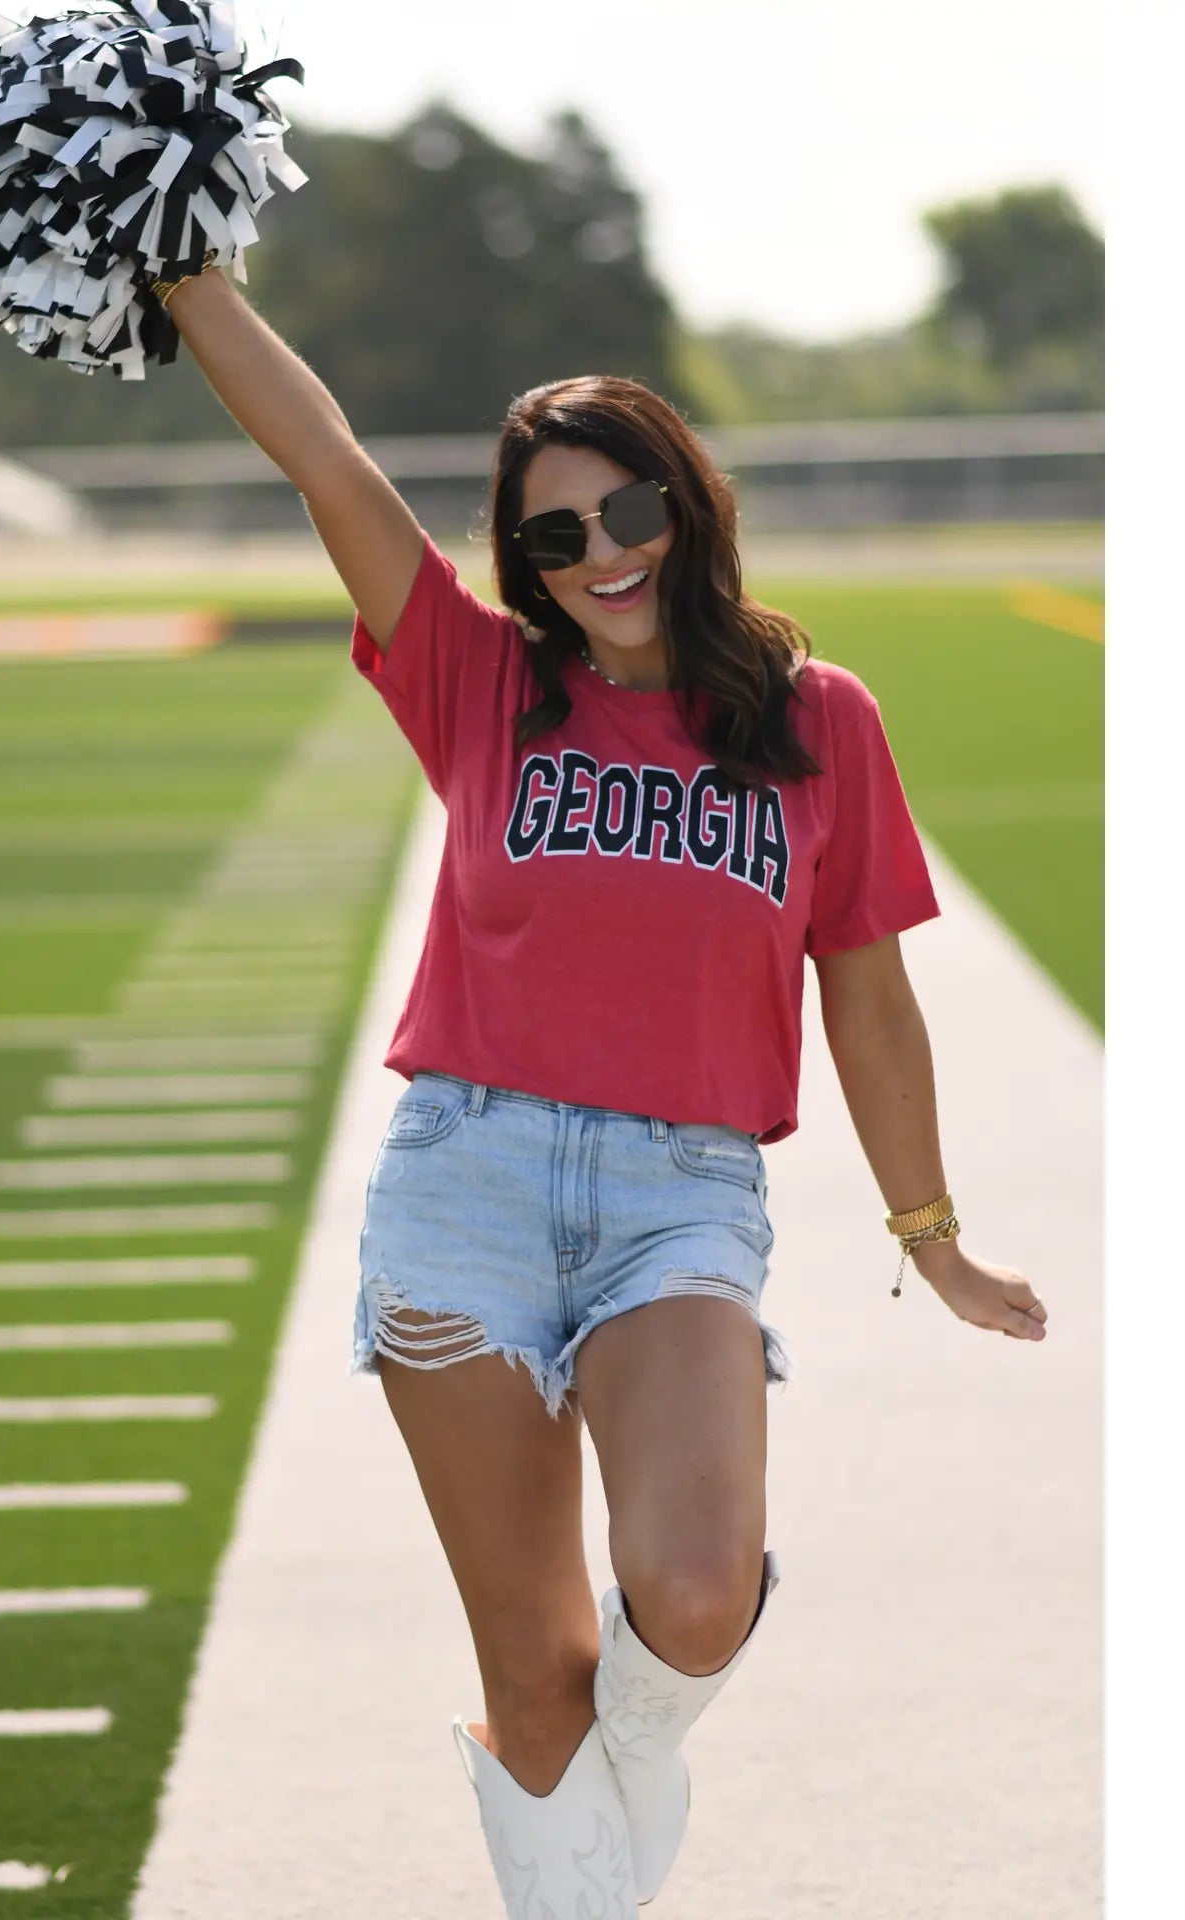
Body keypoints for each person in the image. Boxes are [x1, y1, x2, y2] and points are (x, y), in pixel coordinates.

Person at [157, 259, 1049, 1917]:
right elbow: (331, 463)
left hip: (678, 1201)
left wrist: (931, 1236)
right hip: (463, 1187)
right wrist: (186, 271)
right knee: (543, 1679)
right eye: (553, 538)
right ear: (524, 565)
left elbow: (866, 995)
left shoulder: (815, 721)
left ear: (683, 501)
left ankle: (610, 1758)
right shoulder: (480, 682)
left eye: (624, 509)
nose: (601, 555)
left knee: (696, 1594)